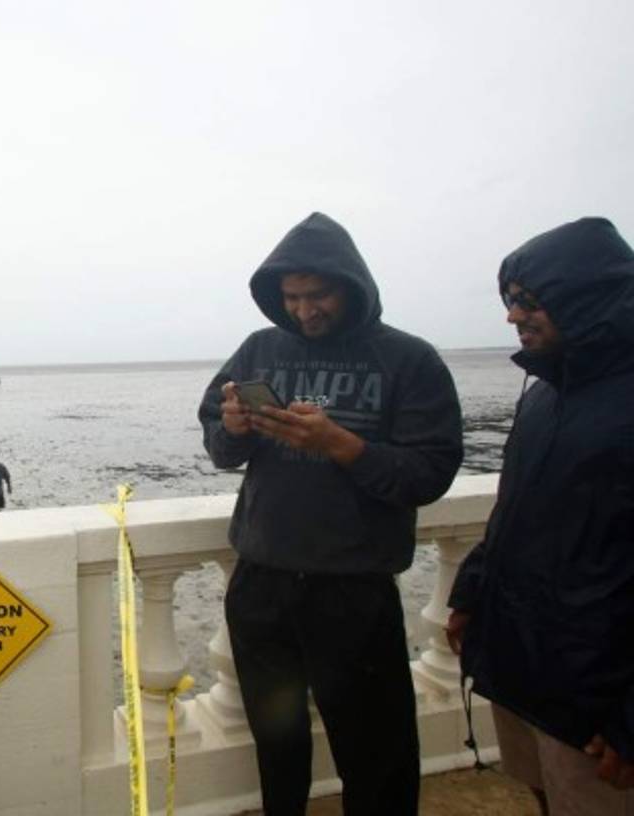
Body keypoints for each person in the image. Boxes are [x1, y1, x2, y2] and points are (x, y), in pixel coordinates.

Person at [198, 212, 463, 816]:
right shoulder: (259, 349)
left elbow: (430, 473)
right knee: (277, 745)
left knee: (376, 754)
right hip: (262, 584)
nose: (304, 310)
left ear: (352, 285)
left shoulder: (409, 360)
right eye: (291, 297)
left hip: (353, 590)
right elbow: (219, 445)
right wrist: (234, 427)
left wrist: (341, 445)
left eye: (318, 295)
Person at [446, 217, 634, 813]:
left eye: (529, 301)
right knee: (542, 795)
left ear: (586, 298)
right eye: (509, 299)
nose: (512, 316)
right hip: (522, 666)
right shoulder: (544, 394)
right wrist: (471, 593)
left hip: (596, 695)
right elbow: (517, 510)